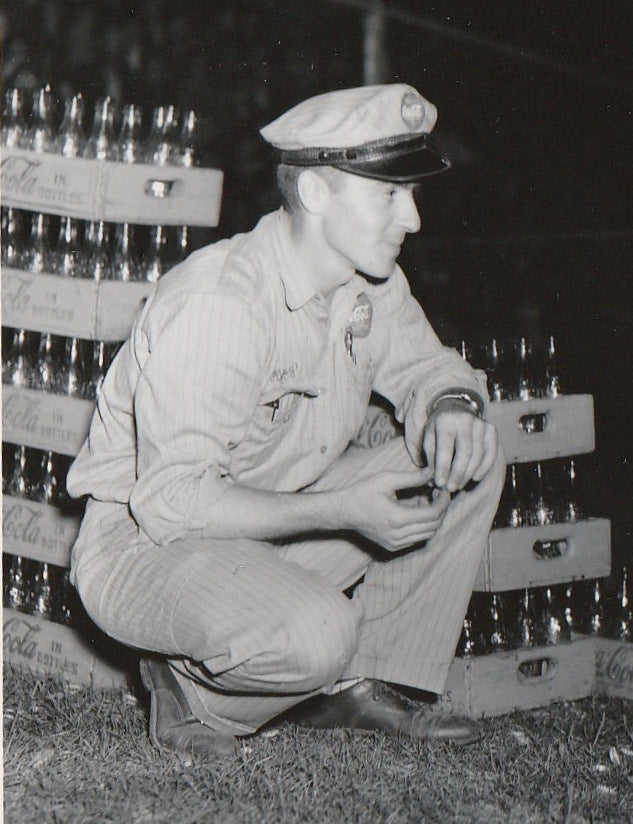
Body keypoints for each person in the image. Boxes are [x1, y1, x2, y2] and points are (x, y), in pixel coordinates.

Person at [67, 83, 505, 758]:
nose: (412, 218)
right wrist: (342, 510)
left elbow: (429, 369)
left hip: (264, 520)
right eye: (388, 194)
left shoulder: (368, 285)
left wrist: (453, 406)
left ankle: (365, 684)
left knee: (466, 456)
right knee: (318, 635)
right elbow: (173, 501)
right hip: (148, 546)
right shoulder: (221, 303)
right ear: (316, 193)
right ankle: (193, 692)